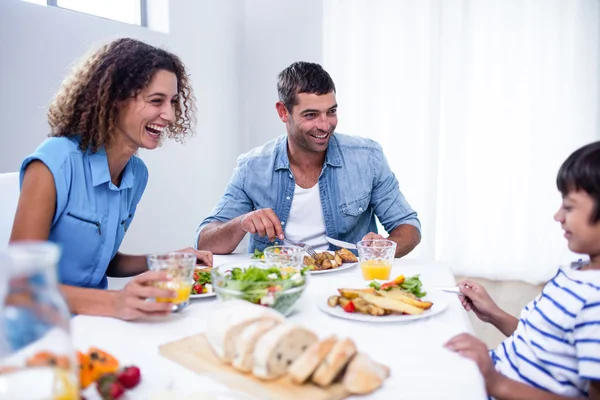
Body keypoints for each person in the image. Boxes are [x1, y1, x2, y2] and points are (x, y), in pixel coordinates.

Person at [10, 38, 212, 321]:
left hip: (92, 321)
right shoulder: (54, 162)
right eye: (156, 101)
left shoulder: (136, 175)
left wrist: (166, 260)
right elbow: (21, 285)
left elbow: (101, 262)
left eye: (173, 102)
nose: (169, 115)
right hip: (41, 327)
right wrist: (114, 302)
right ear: (115, 99)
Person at [196, 61, 421, 257]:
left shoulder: (367, 157)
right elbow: (205, 241)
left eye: (331, 112)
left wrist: (386, 246)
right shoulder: (252, 167)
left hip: (348, 285)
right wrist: (240, 223)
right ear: (283, 112)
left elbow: (409, 226)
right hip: (278, 286)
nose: (325, 125)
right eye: (311, 115)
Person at [445, 142, 600, 399]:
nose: (557, 216)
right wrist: (494, 313)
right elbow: (543, 343)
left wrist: (495, 383)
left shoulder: (595, 301)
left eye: (569, 207)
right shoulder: (576, 272)